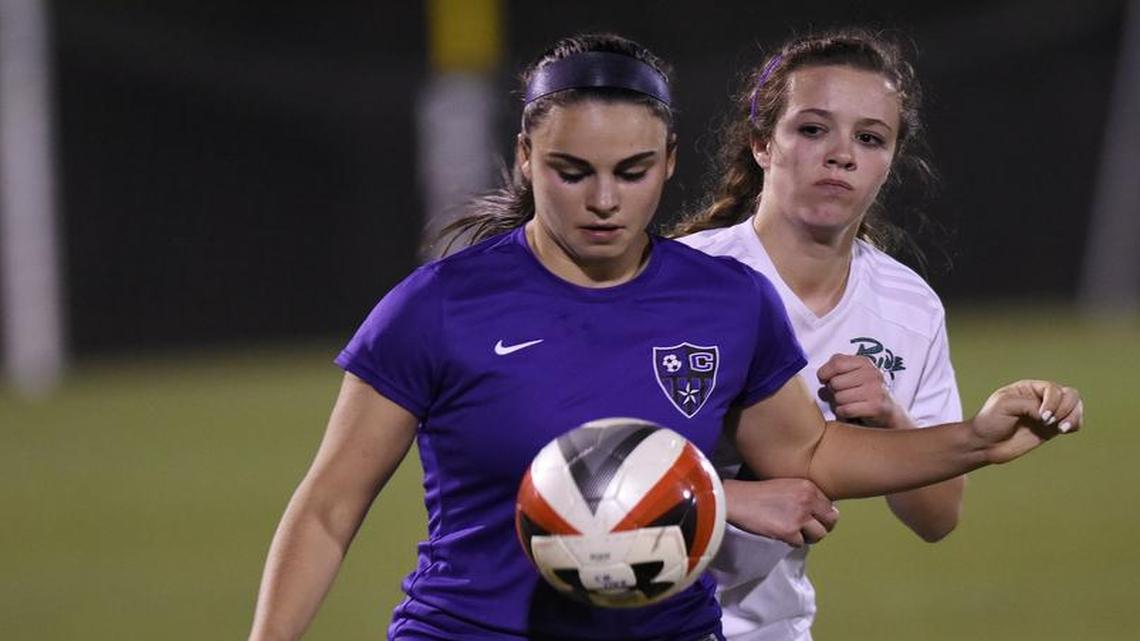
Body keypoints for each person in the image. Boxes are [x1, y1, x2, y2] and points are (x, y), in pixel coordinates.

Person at [247, 33, 1082, 641]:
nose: (603, 199)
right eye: (573, 171)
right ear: (526, 159)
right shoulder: (437, 306)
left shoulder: (726, 300)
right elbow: (328, 507)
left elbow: (815, 456)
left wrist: (974, 438)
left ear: (671, 161)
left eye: (632, 172)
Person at [671, 29, 982, 640]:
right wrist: (732, 498)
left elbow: (938, 518)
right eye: (813, 129)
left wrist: (891, 420)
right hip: (635, 615)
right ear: (763, 143)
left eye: (869, 138)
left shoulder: (908, 307)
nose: (841, 154)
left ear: (891, 159)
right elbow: (596, 462)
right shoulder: (678, 283)